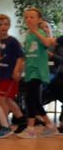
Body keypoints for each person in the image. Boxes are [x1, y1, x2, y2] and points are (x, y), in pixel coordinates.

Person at [17, 7, 57, 139]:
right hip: (30, 70)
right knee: (31, 99)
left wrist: (36, 31)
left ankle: (32, 128)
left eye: (32, 17)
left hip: (38, 71)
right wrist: (20, 68)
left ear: (39, 19)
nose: (28, 19)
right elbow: (28, 55)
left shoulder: (40, 33)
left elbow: (47, 43)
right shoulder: (28, 35)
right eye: (26, 17)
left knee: (33, 98)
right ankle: (45, 125)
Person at [0, 14, 24, 127]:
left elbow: (20, 57)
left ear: (9, 26)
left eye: (6, 24)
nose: (3, 27)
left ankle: (4, 125)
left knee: (1, 98)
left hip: (9, 76)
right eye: (0, 25)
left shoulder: (12, 41)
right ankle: (22, 120)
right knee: (7, 100)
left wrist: (16, 70)